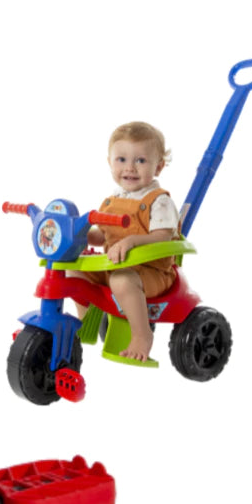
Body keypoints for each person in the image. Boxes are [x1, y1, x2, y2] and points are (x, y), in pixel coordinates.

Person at [76, 121, 180, 362]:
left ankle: (142, 335)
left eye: (141, 160)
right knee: (74, 270)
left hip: (151, 272)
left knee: (122, 280)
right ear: (110, 162)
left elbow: (164, 236)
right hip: (114, 266)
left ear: (158, 167)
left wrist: (132, 241)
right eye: (121, 159)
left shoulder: (159, 201)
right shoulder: (112, 200)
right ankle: (86, 320)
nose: (130, 168)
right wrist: (79, 235)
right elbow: (103, 236)